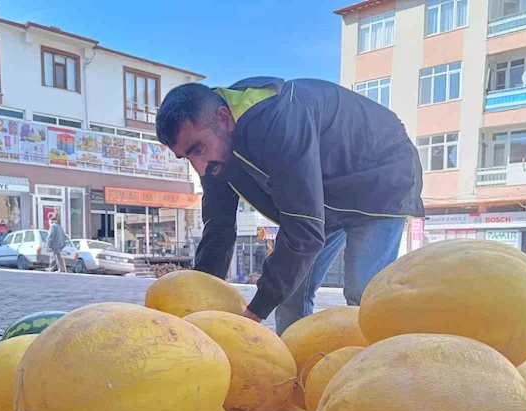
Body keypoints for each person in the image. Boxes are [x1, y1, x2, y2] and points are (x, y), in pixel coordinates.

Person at [156, 77, 423, 334]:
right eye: (186, 156)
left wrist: (255, 312)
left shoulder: (279, 121)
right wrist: (200, 298)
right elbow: (219, 227)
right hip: (326, 196)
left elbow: (302, 229)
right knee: (290, 292)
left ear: (225, 119)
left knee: (363, 292)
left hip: (381, 177)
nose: (198, 167)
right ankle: (294, 371)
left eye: (198, 149)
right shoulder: (214, 153)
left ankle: (377, 369)